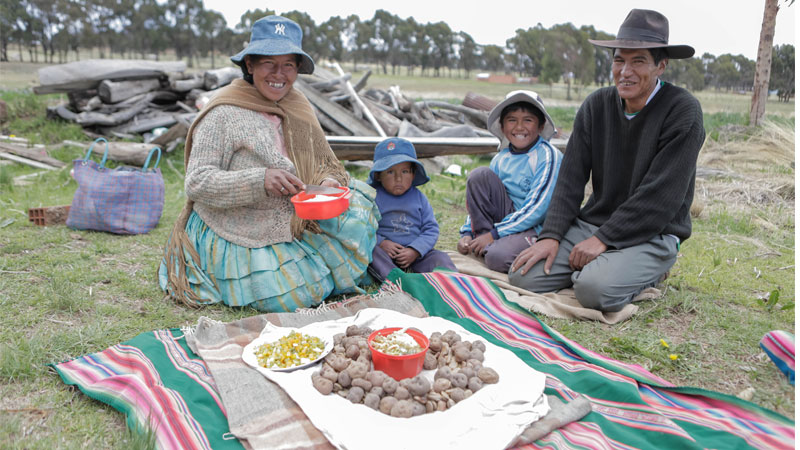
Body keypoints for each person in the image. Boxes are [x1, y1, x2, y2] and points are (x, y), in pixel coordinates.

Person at [158, 15, 379, 312]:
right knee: (295, 296)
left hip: (294, 212)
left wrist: (327, 182)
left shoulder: (297, 104)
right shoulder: (223, 112)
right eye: (268, 64)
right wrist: (259, 180)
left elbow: (325, 160)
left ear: (298, 68)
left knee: (360, 211)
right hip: (236, 223)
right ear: (249, 65)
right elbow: (197, 182)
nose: (279, 74)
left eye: (288, 64)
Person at [509, 9, 705, 312]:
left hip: (652, 233)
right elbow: (571, 177)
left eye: (638, 60)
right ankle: (605, 267)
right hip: (595, 224)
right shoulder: (596, 105)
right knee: (524, 276)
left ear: (661, 66)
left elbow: (660, 197)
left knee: (592, 290)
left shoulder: (682, 111)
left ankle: (650, 270)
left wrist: (604, 239)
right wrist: (551, 236)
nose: (625, 71)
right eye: (619, 60)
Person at [457, 90, 562, 272]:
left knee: (499, 257)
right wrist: (467, 232)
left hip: (534, 227)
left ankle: (492, 246)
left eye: (528, 120)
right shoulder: (501, 158)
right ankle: (479, 239)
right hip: (505, 222)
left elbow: (537, 209)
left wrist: (495, 234)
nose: (519, 127)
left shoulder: (547, 156)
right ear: (503, 127)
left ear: (540, 126)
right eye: (512, 120)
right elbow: (481, 200)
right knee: (479, 176)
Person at [367, 137, 457, 280]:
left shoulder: (419, 198)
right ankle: (396, 278)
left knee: (440, 258)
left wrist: (415, 250)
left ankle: (450, 280)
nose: (398, 178)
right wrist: (381, 242)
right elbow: (365, 227)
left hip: (416, 255)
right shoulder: (372, 198)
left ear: (413, 174)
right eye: (390, 172)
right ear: (378, 176)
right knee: (371, 252)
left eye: (405, 172)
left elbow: (431, 229)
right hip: (386, 254)